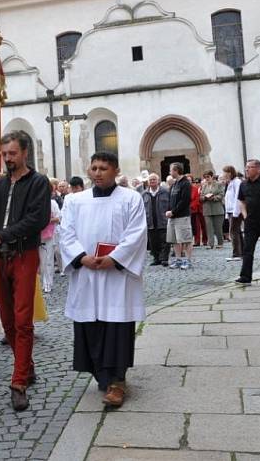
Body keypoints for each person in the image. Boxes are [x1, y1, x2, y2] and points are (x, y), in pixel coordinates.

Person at [60, 152, 148, 407]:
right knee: (91, 326)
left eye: (104, 168)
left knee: (117, 326)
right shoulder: (74, 200)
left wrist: (115, 259)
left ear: (116, 170)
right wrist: (81, 257)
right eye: (94, 168)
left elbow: (136, 234)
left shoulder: (131, 198)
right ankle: (102, 374)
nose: (98, 172)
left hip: (116, 277)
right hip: (87, 273)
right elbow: (66, 233)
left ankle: (117, 381)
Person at [0, 130, 51, 411]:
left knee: (22, 319)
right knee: (7, 320)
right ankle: (27, 367)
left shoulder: (39, 182)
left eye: (12, 154)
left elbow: (37, 219)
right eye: (4, 154)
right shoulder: (0, 184)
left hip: (23, 254)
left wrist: (2, 236)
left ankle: (18, 382)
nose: (7, 159)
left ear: (25, 153)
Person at [165, 163, 193, 270]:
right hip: (172, 217)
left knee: (185, 239)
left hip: (182, 216)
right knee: (174, 240)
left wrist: (173, 211)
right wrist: (168, 210)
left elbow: (184, 201)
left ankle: (188, 260)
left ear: (176, 170)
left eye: (171, 170)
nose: (169, 172)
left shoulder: (185, 183)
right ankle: (178, 260)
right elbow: (171, 199)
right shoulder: (174, 184)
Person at [142, 173, 170, 266]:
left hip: (162, 220)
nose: (152, 181)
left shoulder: (165, 192)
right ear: (148, 182)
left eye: (154, 179)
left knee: (165, 241)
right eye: (151, 180)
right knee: (153, 242)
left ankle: (164, 259)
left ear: (158, 181)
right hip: (150, 221)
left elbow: (170, 205)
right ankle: (156, 258)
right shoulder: (144, 194)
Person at [39, 196, 61, 293]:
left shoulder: (52, 203)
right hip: (36, 235)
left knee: (48, 259)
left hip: (50, 234)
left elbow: (58, 217)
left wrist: (47, 220)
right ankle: (43, 282)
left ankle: (48, 283)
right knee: (41, 261)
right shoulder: (32, 201)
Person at [223, 165, 243, 261]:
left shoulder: (237, 182)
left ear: (230, 173)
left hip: (236, 211)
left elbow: (237, 198)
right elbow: (228, 199)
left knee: (233, 232)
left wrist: (236, 212)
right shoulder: (230, 183)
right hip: (231, 210)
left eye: (225, 173)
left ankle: (237, 254)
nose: (224, 175)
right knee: (237, 231)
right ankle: (241, 252)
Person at [200, 170, 225, 249]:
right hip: (207, 209)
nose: (207, 179)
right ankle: (210, 243)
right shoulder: (204, 186)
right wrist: (204, 197)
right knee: (209, 227)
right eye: (205, 177)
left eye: (208, 177)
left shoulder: (218, 184)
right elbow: (201, 196)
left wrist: (214, 197)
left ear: (212, 177)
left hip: (217, 208)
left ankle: (220, 242)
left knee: (218, 227)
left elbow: (221, 194)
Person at [190, 177, 207, 247]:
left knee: (204, 225)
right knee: (197, 226)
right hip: (196, 210)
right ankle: (197, 241)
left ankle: (205, 240)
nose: (196, 184)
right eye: (195, 182)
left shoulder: (203, 189)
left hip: (203, 209)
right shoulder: (194, 189)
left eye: (198, 182)